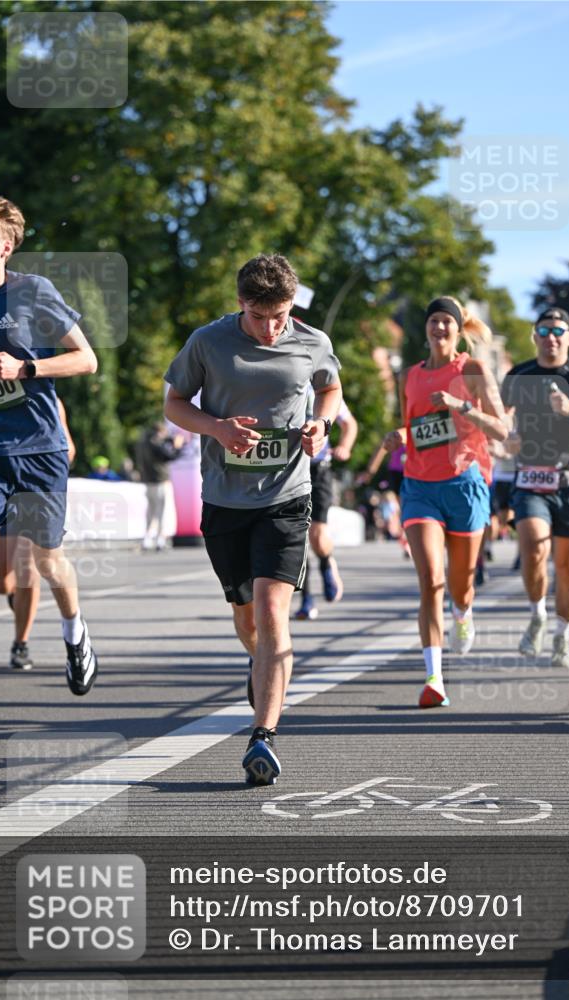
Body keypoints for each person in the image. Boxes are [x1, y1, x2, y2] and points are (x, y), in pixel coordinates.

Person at [164, 253, 342, 784]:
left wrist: (321, 423)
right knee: (247, 618)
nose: (271, 328)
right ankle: (262, 663)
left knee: (271, 613)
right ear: (241, 303)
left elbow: (330, 387)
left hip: (287, 496)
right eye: (260, 317)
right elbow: (174, 403)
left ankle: (262, 735)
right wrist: (217, 428)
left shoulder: (312, 341)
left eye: (280, 316)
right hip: (224, 500)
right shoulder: (209, 342)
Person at [0, 195, 100, 741]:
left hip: (38, 448)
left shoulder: (32, 292)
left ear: (6, 245)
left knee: (49, 562)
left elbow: (86, 358)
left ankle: (75, 633)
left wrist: (26, 366)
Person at [382, 296, 508, 709]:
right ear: (426, 327)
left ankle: (464, 613)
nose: (439, 329)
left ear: (457, 329)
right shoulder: (412, 375)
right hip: (420, 486)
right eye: (433, 321)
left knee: (460, 585)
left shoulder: (471, 369)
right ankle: (433, 677)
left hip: (464, 483)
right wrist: (398, 437)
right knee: (430, 580)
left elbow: (501, 428)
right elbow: (411, 424)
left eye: (446, 323)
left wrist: (460, 406)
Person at [501, 306, 569, 668]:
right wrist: (507, 438)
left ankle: (563, 636)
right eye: (544, 331)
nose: (551, 337)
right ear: (534, 336)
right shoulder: (518, 374)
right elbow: (499, 424)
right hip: (530, 478)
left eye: (558, 330)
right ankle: (537, 615)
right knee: (533, 547)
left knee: (567, 566)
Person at [0, 397, 76, 672]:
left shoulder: (48, 399)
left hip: (30, 489)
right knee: (1, 582)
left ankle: (21, 643)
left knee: (29, 569)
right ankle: (16, 596)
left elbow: (69, 449)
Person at [294, 396, 357, 620]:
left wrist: (344, 447)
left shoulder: (323, 387)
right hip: (289, 471)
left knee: (317, 536)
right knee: (297, 539)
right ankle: (306, 599)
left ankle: (326, 562)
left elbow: (349, 424)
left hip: (318, 469)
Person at [135, 421, 185, 551]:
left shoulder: (142, 443)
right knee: (162, 511)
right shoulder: (156, 443)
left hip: (147, 481)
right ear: (160, 432)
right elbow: (169, 456)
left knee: (151, 511)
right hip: (160, 481)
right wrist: (178, 447)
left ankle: (147, 538)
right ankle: (160, 539)